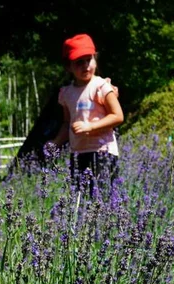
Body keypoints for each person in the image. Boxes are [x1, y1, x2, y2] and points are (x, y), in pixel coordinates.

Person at [51, 33, 124, 189]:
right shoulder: (66, 93)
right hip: (77, 153)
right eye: (79, 62)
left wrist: (89, 126)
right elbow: (66, 123)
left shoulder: (101, 86)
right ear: (68, 66)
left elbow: (117, 116)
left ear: (95, 60)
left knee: (101, 200)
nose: (86, 66)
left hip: (102, 152)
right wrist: (56, 142)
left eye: (88, 60)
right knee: (80, 202)